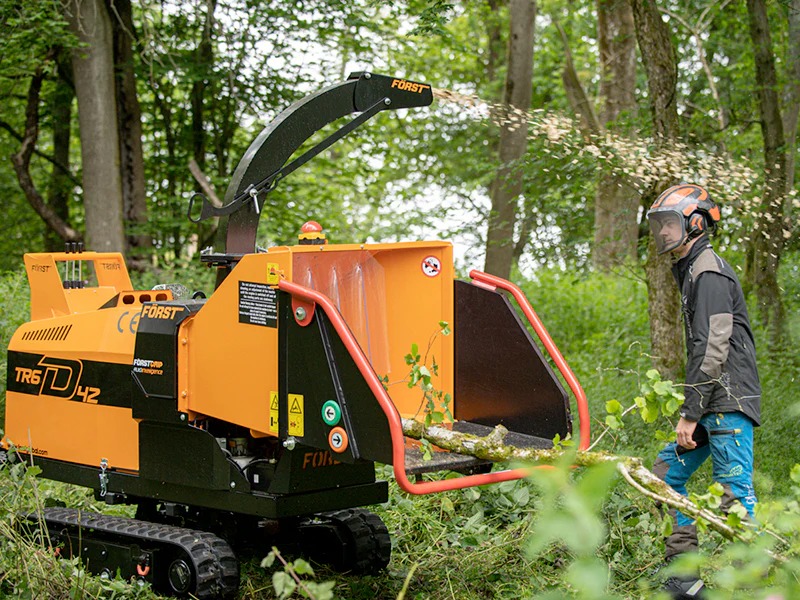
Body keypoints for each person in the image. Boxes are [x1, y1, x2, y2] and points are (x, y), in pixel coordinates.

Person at [645, 183, 761, 600]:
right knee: (662, 476)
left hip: (726, 402)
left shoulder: (707, 271)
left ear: (695, 223)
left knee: (734, 497)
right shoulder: (692, 268)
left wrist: (691, 411)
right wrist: (695, 406)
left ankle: (751, 588)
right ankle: (685, 581)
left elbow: (714, 346)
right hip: (712, 400)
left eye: (669, 225)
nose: (662, 233)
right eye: (659, 226)